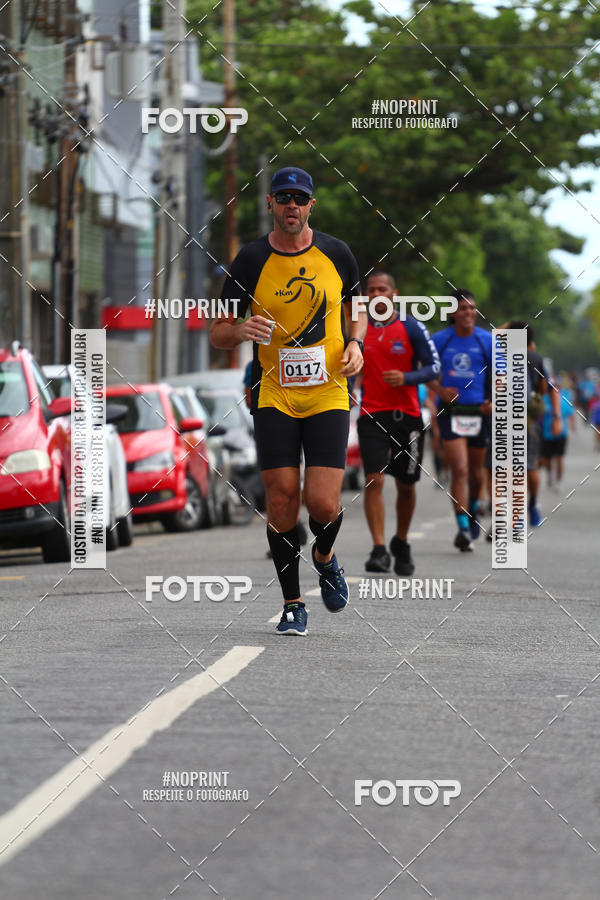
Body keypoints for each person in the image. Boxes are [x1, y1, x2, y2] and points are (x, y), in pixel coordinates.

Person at [210, 166, 366, 635]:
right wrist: (239, 330)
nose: (291, 206)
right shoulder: (251, 260)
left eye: (300, 198)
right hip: (274, 393)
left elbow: (356, 311)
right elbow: (218, 332)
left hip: (329, 393)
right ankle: (293, 603)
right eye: (283, 198)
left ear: (311, 205)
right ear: (272, 205)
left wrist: (356, 344)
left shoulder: (336, 254)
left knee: (321, 502)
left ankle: (325, 554)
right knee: (281, 501)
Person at [356, 271, 441, 574]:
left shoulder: (411, 326)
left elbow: (433, 368)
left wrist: (407, 377)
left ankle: (401, 542)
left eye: (382, 289)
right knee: (374, 480)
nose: (376, 294)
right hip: (371, 414)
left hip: (407, 416)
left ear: (393, 294)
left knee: (406, 485)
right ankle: (378, 549)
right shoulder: (359, 327)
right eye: (371, 289)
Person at [429, 289, 492, 552]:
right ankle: (463, 528)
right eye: (463, 308)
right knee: (460, 469)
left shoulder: (486, 340)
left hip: (479, 412)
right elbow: (424, 372)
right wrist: (441, 390)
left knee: (477, 474)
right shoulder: (439, 340)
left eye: (472, 308)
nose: (469, 313)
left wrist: (492, 401)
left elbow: (501, 376)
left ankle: (474, 509)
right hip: (450, 411)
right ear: (453, 313)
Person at [506, 321, 561, 526]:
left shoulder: (499, 356)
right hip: (529, 420)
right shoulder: (536, 359)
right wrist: (556, 417)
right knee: (529, 466)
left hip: (502, 418)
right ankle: (531, 505)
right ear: (531, 341)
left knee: (510, 467)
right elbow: (546, 390)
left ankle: (516, 513)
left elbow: (494, 335)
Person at [540, 376, 575, 492]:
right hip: (546, 435)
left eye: (555, 387)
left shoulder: (563, 400)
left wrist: (573, 425)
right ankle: (550, 474)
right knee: (546, 460)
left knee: (560, 458)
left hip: (561, 434)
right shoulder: (543, 399)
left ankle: (559, 481)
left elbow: (571, 413)